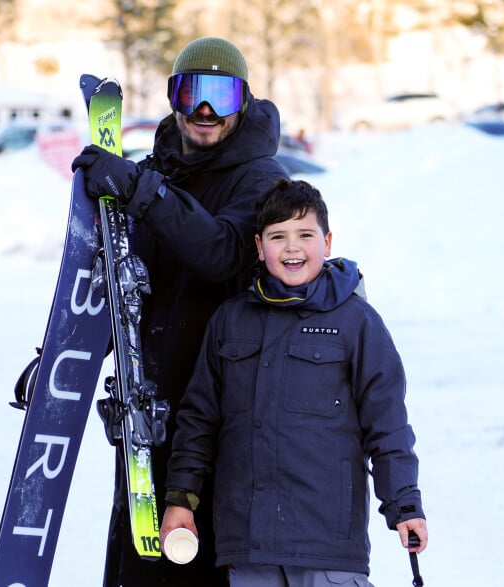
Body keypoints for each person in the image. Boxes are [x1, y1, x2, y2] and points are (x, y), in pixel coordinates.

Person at [72, 37, 288, 586]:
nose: (206, 112)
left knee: (195, 558)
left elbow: (220, 250)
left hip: (221, 413)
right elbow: (124, 281)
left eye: (222, 96)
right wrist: (63, 359)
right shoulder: (156, 173)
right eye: (193, 93)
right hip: (149, 407)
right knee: (136, 558)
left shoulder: (261, 180)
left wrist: (143, 191)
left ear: (244, 102)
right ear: (173, 97)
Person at [160, 178, 428, 587]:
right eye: (277, 236)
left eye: (305, 234)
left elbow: (387, 424)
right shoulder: (230, 321)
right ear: (258, 246)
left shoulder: (357, 323)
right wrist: (180, 499)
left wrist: (404, 504)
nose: (292, 248)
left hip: (328, 544)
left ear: (328, 241)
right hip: (249, 544)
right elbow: (198, 421)